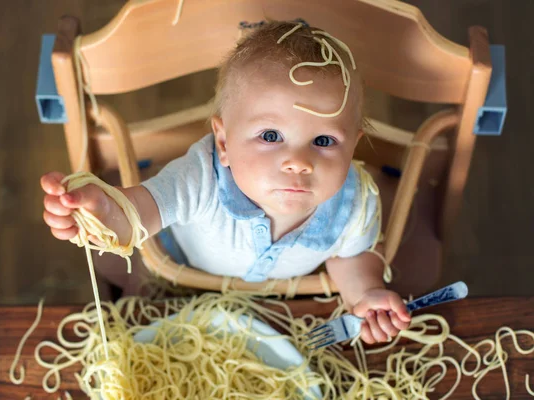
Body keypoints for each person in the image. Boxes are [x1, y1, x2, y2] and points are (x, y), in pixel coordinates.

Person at [40, 21, 411, 344]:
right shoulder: (203, 176)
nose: (299, 162)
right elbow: (144, 209)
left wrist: (366, 293)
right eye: (270, 136)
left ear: (353, 147)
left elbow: (353, 254)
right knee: (127, 286)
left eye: (325, 141)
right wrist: (105, 209)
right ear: (223, 143)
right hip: (177, 267)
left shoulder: (356, 201)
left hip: (275, 302)